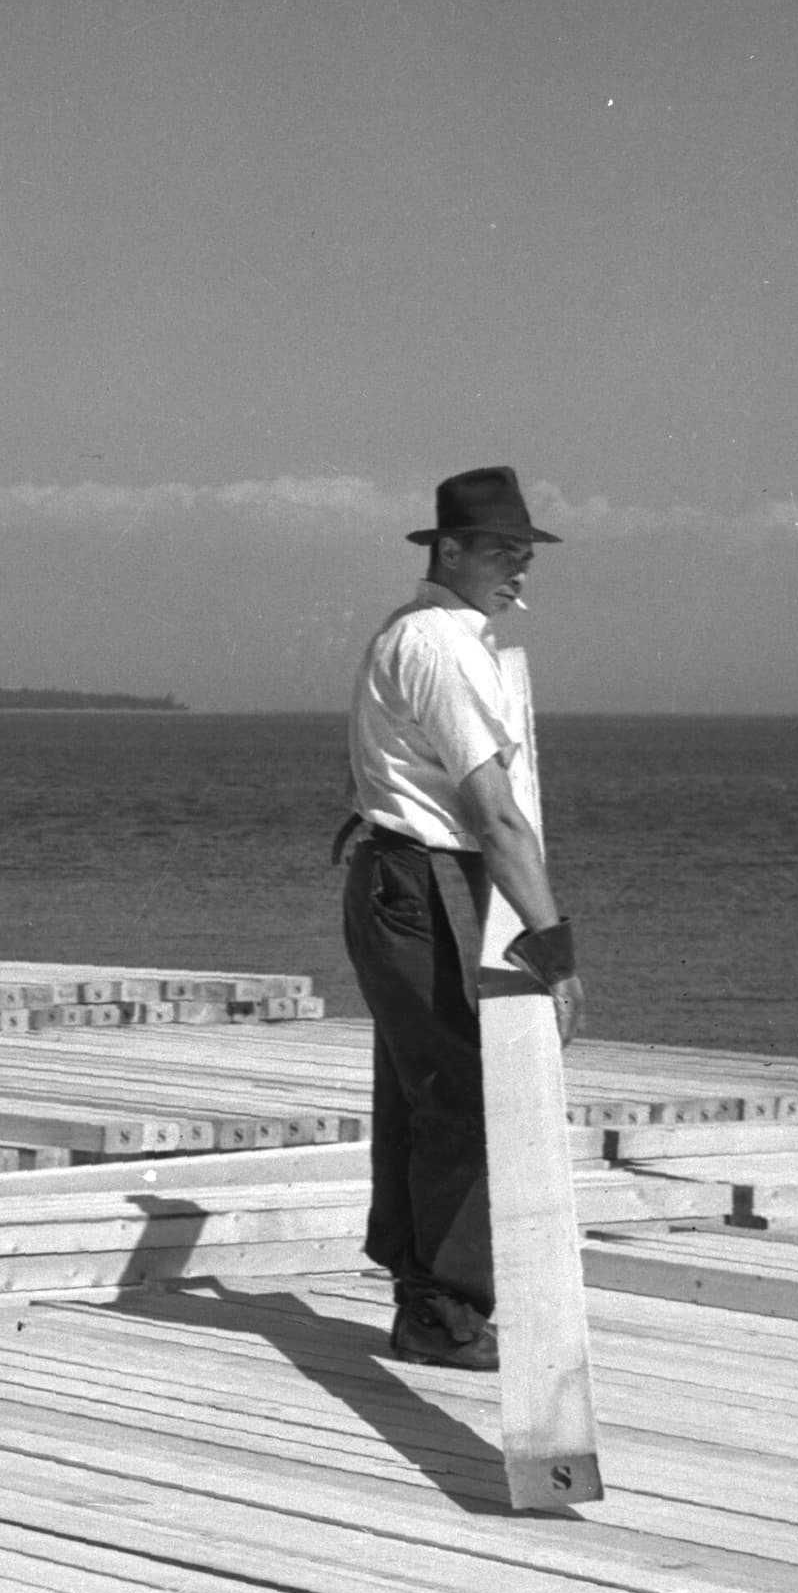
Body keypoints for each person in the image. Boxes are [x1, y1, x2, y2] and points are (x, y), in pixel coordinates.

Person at [336, 465, 585, 1372]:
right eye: (501, 550)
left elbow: (387, 762)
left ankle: (424, 1300)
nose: (520, 567)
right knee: (463, 1100)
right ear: (450, 549)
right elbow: (496, 813)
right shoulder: (440, 644)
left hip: (398, 875)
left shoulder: (412, 634)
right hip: (423, 883)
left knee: (421, 1092)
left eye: (526, 551)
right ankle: (442, 1309)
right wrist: (554, 949)